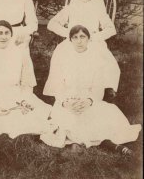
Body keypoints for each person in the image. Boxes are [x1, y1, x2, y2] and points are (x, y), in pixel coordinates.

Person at [40, 25, 141, 154]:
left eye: (83, 37)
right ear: (70, 40)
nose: (79, 41)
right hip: (68, 99)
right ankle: (81, 141)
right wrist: (65, 102)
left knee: (95, 117)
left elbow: (98, 87)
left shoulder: (96, 60)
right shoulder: (63, 59)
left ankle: (81, 141)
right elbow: (57, 85)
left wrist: (89, 101)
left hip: (89, 98)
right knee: (68, 117)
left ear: (88, 39)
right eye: (75, 37)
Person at [47, 0, 120, 93]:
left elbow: (111, 29)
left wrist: (94, 37)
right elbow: (52, 24)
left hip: (92, 41)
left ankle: (103, 88)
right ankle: (64, 88)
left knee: (101, 58)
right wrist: (69, 34)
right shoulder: (70, 8)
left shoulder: (98, 9)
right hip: (73, 41)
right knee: (61, 54)